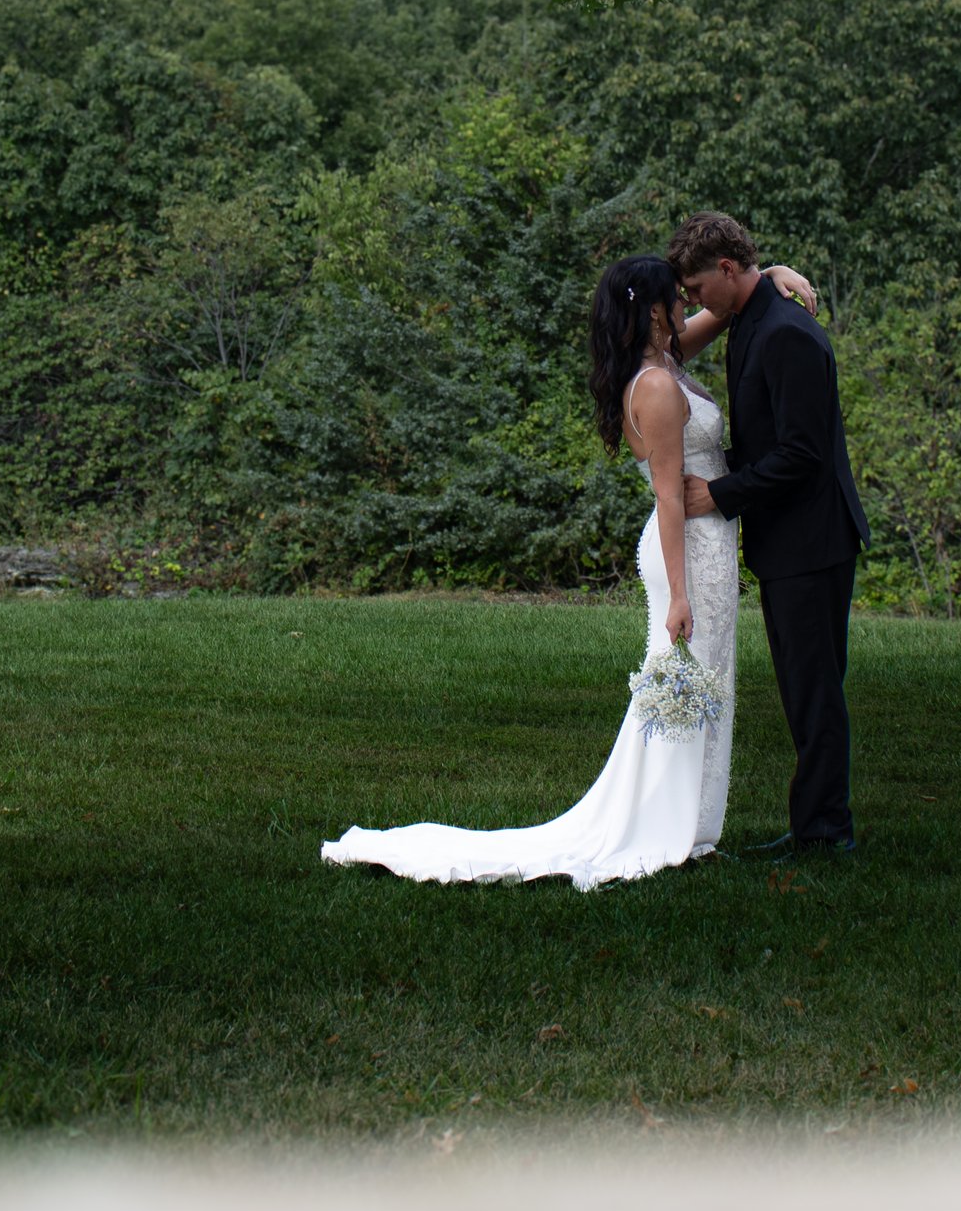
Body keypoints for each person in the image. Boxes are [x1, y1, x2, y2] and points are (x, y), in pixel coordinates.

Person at [319, 253, 818, 889]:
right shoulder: (659, 385)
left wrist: (768, 270)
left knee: (706, 687)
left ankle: (692, 827)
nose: (688, 306)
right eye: (677, 298)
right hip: (686, 551)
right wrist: (679, 597)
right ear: (655, 309)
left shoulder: (664, 359)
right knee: (689, 688)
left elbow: (721, 310)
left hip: (705, 544)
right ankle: (668, 829)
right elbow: (669, 497)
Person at [671, 211, 870, 859]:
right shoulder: (752, 314)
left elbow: (803, 453)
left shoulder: (786, 332)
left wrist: (719, 494)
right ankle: (815, 822)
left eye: (697, 289)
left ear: (727, 270)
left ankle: (825, 831)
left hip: (812, 542)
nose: (692, 303)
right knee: (803, 685)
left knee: (814, 689)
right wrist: (777, 267)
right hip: (790, 541)